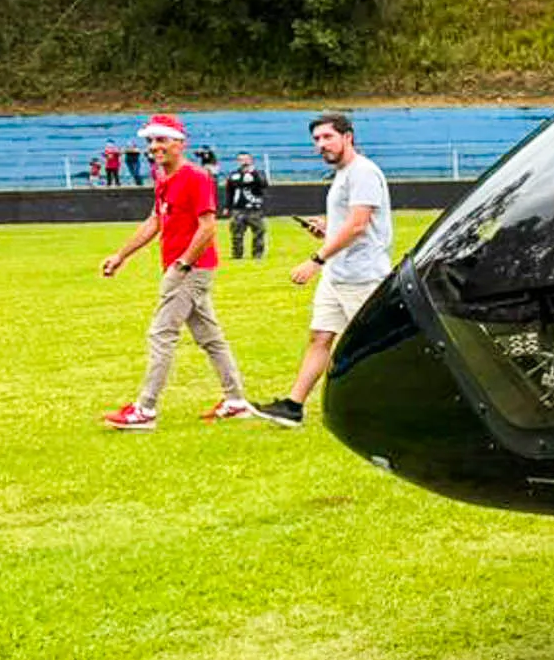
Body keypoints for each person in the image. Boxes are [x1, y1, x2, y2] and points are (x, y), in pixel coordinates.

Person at [98, 116, 255, 427]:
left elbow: (208, 227)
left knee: (161, 334)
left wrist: (183, 264)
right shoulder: (162, 177)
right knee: (210, 337)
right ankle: (236, 401)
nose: (155, 147)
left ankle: (145, 410)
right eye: (151, 142)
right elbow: (155, 221)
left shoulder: (195, 177)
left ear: (180, 143)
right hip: (184, 267)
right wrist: (121, 255)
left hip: (189, 269)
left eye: (162, 140)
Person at [256, 114, 392, 428]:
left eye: (327, 137)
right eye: (316, 140)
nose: (321, 145)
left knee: (371, 346)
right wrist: (328, 229)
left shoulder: (364, 172)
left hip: (363, 275)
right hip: (338, 274)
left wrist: (316, 259)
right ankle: (293, 406)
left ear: (348, 137)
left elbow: (359, 225)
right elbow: (348, 222)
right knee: (320, 337)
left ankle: (386, 409)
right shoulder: (343, 174)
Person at [222, 152, 270, 259]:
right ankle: (237, 255)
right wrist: (227, 206)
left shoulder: (259, 173)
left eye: (246, 159)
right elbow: (229, 191)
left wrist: (253, 174)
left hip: (254, 209)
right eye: (241, 159)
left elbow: (263, 184)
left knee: (258, 232)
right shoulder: (234, 175)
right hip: (238, 209)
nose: (244, 161)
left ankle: (257, 255)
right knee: (236, 234)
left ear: (251, 160)